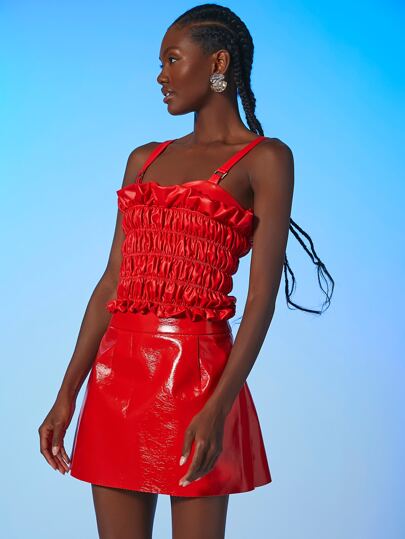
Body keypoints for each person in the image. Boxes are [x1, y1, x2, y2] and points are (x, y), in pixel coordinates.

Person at [38, 4, 334, 538]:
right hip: (115, 380)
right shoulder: (144, 159)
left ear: (218, 62)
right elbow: (112, 282)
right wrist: (67, 393)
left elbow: (261, 301)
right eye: (161, 63)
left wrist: (220, 408)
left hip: (199, 382)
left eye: (172, 60)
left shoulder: (266, 159)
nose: (161, 76)